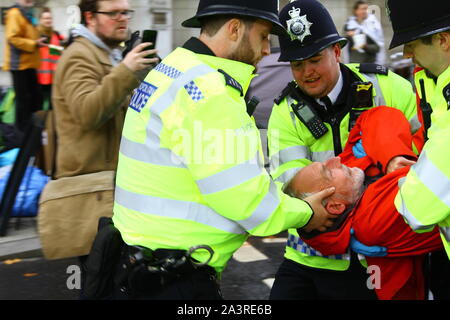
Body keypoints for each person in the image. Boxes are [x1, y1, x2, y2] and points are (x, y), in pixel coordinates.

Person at [111, 0, 336, 300]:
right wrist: (307, 213)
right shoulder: (210, 93)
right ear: (234, 29)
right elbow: (249, 202)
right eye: (263, 36)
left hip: (138, 266)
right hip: (175, 280)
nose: (268, 50)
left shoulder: (173, 68)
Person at [267, 0, 419, 300]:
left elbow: (421, 155)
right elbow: (289, 182)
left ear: (337, 52)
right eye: (297, 64)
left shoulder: (389, 88)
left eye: (314, 59)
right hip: (309, 255)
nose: (307, 72)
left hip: (376, 257)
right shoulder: (285, 111)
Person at [51, 0, 158, 295]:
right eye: (113, 13)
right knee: (98, 285)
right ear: (91, 16)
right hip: (91, 193)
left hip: (109, 190)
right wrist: (126, 71)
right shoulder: (79, 56)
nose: (122, 19)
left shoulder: (104, 53)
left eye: (126, 12)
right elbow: (87, 112)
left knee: (112, 282)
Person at [284, 106, 443, 300]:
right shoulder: (371, 222)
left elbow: (376, 114)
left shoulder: (350, 183)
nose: (335, 159)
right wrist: (380, 151)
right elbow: (437, 174)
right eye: (328, 171)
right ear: (335, 206)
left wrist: (391, 157)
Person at [386, 0, 450, 300]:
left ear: (443, 40)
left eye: (411, 43)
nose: (406, 54)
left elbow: (417, 209)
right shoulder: (435, 89)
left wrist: (403, 178)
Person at [3, 0, 46, 132]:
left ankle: (32, 131)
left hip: (29, 64)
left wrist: (38, 40)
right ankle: (22, 134)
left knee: (36, 98)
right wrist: (34, 44)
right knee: (24, 101)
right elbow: (13, 38)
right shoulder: (14, 13)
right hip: (19, 65)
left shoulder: (26, 15)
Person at [36, 7, 64, 110]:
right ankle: (39, 125)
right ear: (40, 20)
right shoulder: (35, 34)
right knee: (38, 106)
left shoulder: (56, 35)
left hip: (54, 77)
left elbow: (58, 53)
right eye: (45, 18)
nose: (48, 20)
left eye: (50, 18)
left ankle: (50, 124)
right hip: (39, 77)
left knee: (53, 106)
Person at [343, 0, 385, 65]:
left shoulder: (374, 24)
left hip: (369, 62)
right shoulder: (349, 25)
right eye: (363, 9)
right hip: (354, 62)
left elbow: (379, 46)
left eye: (367, 9)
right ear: (356, 11)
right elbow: (345, 46)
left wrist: (364, 46)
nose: (365, 11)